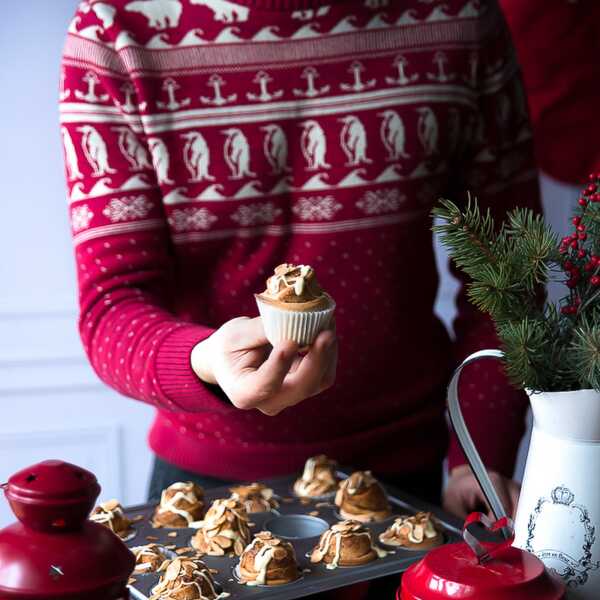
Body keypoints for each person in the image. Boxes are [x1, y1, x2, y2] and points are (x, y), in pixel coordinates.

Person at [60, 0, 535, 519]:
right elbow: (112, 304)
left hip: (411, 479)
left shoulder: (459, 16)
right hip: (205, 486)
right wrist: (208, 362)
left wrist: (480, 453)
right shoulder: (115, 31)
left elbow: (508, 277)